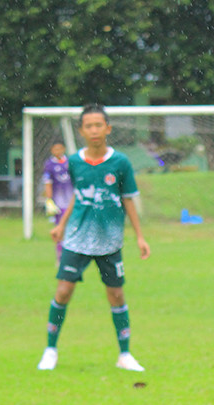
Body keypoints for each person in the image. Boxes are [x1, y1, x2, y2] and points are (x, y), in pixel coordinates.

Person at [37, 104, 150, 372]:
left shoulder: (120, 163)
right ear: (81, 131)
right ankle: (50, 350)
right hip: (76, 239)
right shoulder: (74, 162)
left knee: (117, 295)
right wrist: (62, 225)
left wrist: (140, 237)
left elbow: (128, 200)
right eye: (89, 125)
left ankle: (124, 355)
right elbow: (79, 195)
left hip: (110, 242)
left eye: (99, 125)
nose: (94, 130)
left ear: (108, 128)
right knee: (63, 291)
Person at [41, 142, 72, 264]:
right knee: (60, 229)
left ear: (64, 149)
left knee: (72, 229)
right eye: (55, 149)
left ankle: (73, 257)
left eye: (60, 148)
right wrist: (49, 201)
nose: (58, 151)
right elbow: (47, 183)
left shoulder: (70, 163)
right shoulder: (49, 165)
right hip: (59, 204)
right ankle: (60, 257)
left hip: (72, 203)